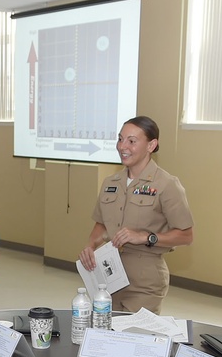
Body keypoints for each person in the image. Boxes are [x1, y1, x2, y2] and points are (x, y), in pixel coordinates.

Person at [79, 116, 194, 313]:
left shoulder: (166, 184)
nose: (123, 146)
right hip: (109, 278)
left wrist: (145, 237)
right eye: (120, 139)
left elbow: (186, 235)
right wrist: (90, 246)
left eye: (132, 141)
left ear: (151, 145)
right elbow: (101, 225)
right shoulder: (110, 183)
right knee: (106, 336)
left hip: (145, 283)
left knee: (134, 338)